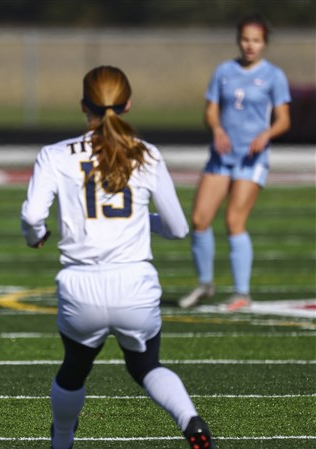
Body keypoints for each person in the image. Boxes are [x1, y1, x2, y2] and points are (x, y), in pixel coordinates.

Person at [21, 66, 216, 449]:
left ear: (83, 105)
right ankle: (190, 420)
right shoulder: (146, 154)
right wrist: (145, 220)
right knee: (146, 366)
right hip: (134, 284)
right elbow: (178, 228)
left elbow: (31, 217)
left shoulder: (55, 154)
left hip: (81, 285)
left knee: (74, 370)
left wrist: (37, 236)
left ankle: (61, 441)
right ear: (127, 105)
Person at [178, 13, 291, 311]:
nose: (249, 45)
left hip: (251, 160)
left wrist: (266, 134)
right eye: (245, 39)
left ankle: (242, 293)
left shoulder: (273, 76)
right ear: (238, 40)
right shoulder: (224, 71)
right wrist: (216, 129)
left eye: (256, 40)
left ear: (264, 43)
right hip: (221, 157)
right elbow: (211, 111)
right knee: (200, 219)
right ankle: (205, 284)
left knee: (234, 221)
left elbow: (283, 120)